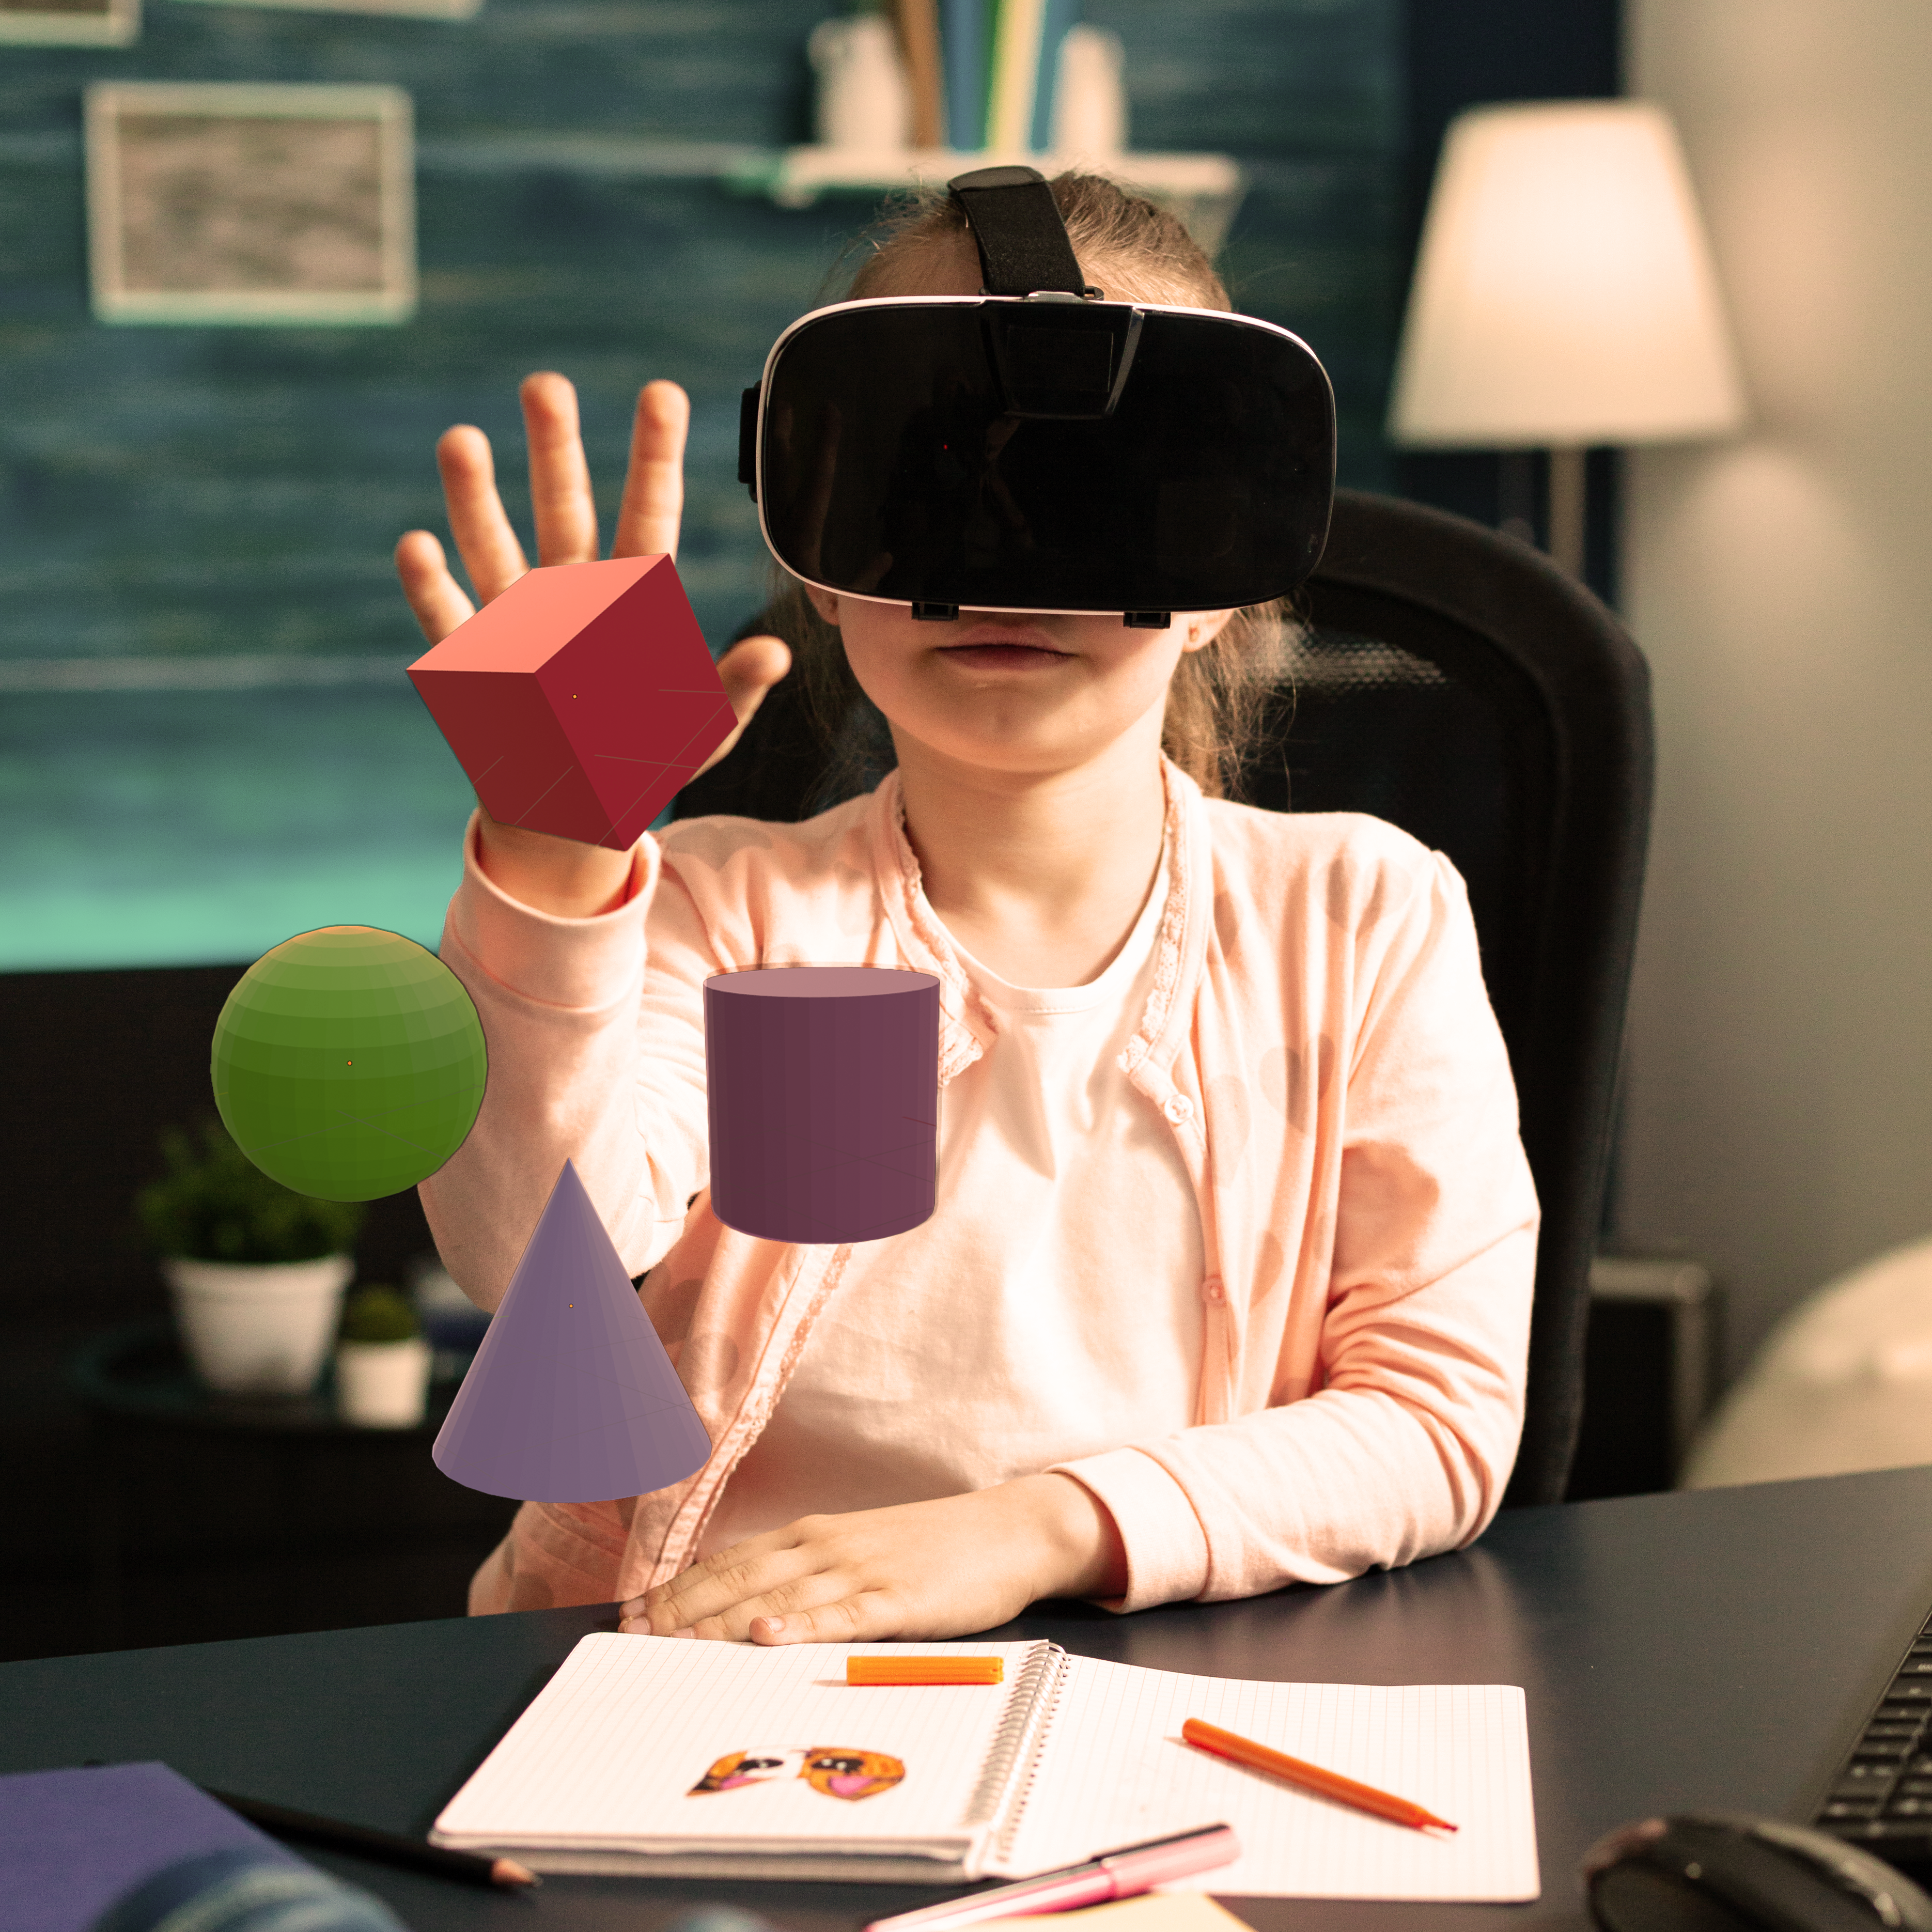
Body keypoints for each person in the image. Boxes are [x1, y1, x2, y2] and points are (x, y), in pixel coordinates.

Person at [396, 174, 1539, 1647]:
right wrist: (557, 867)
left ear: (1225, 575)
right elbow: (526, 1247)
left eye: (1099, 496)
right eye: (935, 484)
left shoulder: (1359, 917)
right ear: (820, 563)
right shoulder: (720, 910)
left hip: (1151, 1673)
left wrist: (1034, 1528)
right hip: (686, 1673)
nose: (1009, 565)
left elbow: (1434, 1418)